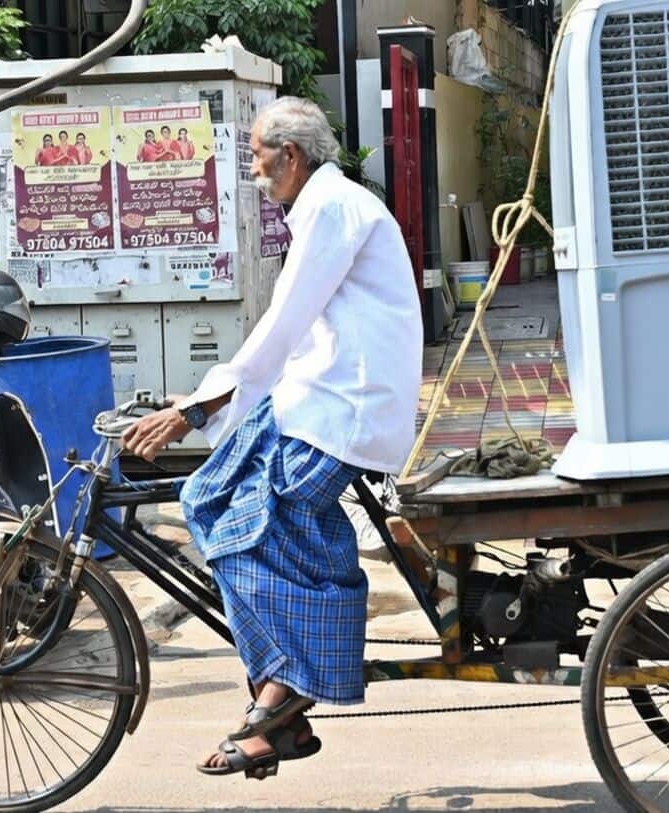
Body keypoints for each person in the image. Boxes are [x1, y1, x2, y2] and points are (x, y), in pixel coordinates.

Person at [123, 96, 422, 780]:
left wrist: (197, 410)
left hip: (340, 410)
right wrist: (206, 396)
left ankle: (280, 699)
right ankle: (279, 696)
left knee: (229, 517)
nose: (255, 171)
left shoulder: (331, 206)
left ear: (291, 155)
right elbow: (289, 335)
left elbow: (284, 324)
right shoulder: (325, 205)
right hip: (321, 400)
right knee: (210, 501)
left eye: (258, 157)